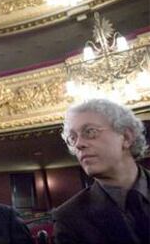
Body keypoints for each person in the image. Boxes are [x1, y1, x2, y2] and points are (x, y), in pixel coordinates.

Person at [53, 99, 149, 244]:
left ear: (127, 137)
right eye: (73, 138)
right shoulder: (69, 217)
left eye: (90, 131)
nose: (79, 144)